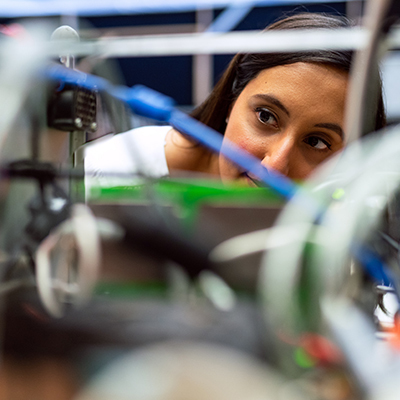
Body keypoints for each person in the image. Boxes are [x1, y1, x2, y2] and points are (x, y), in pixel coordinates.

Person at [84, 12, 386, 188]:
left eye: (317, 142)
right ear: (231, 100)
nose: (273, 166)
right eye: (266, 117)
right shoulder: (105, 175)